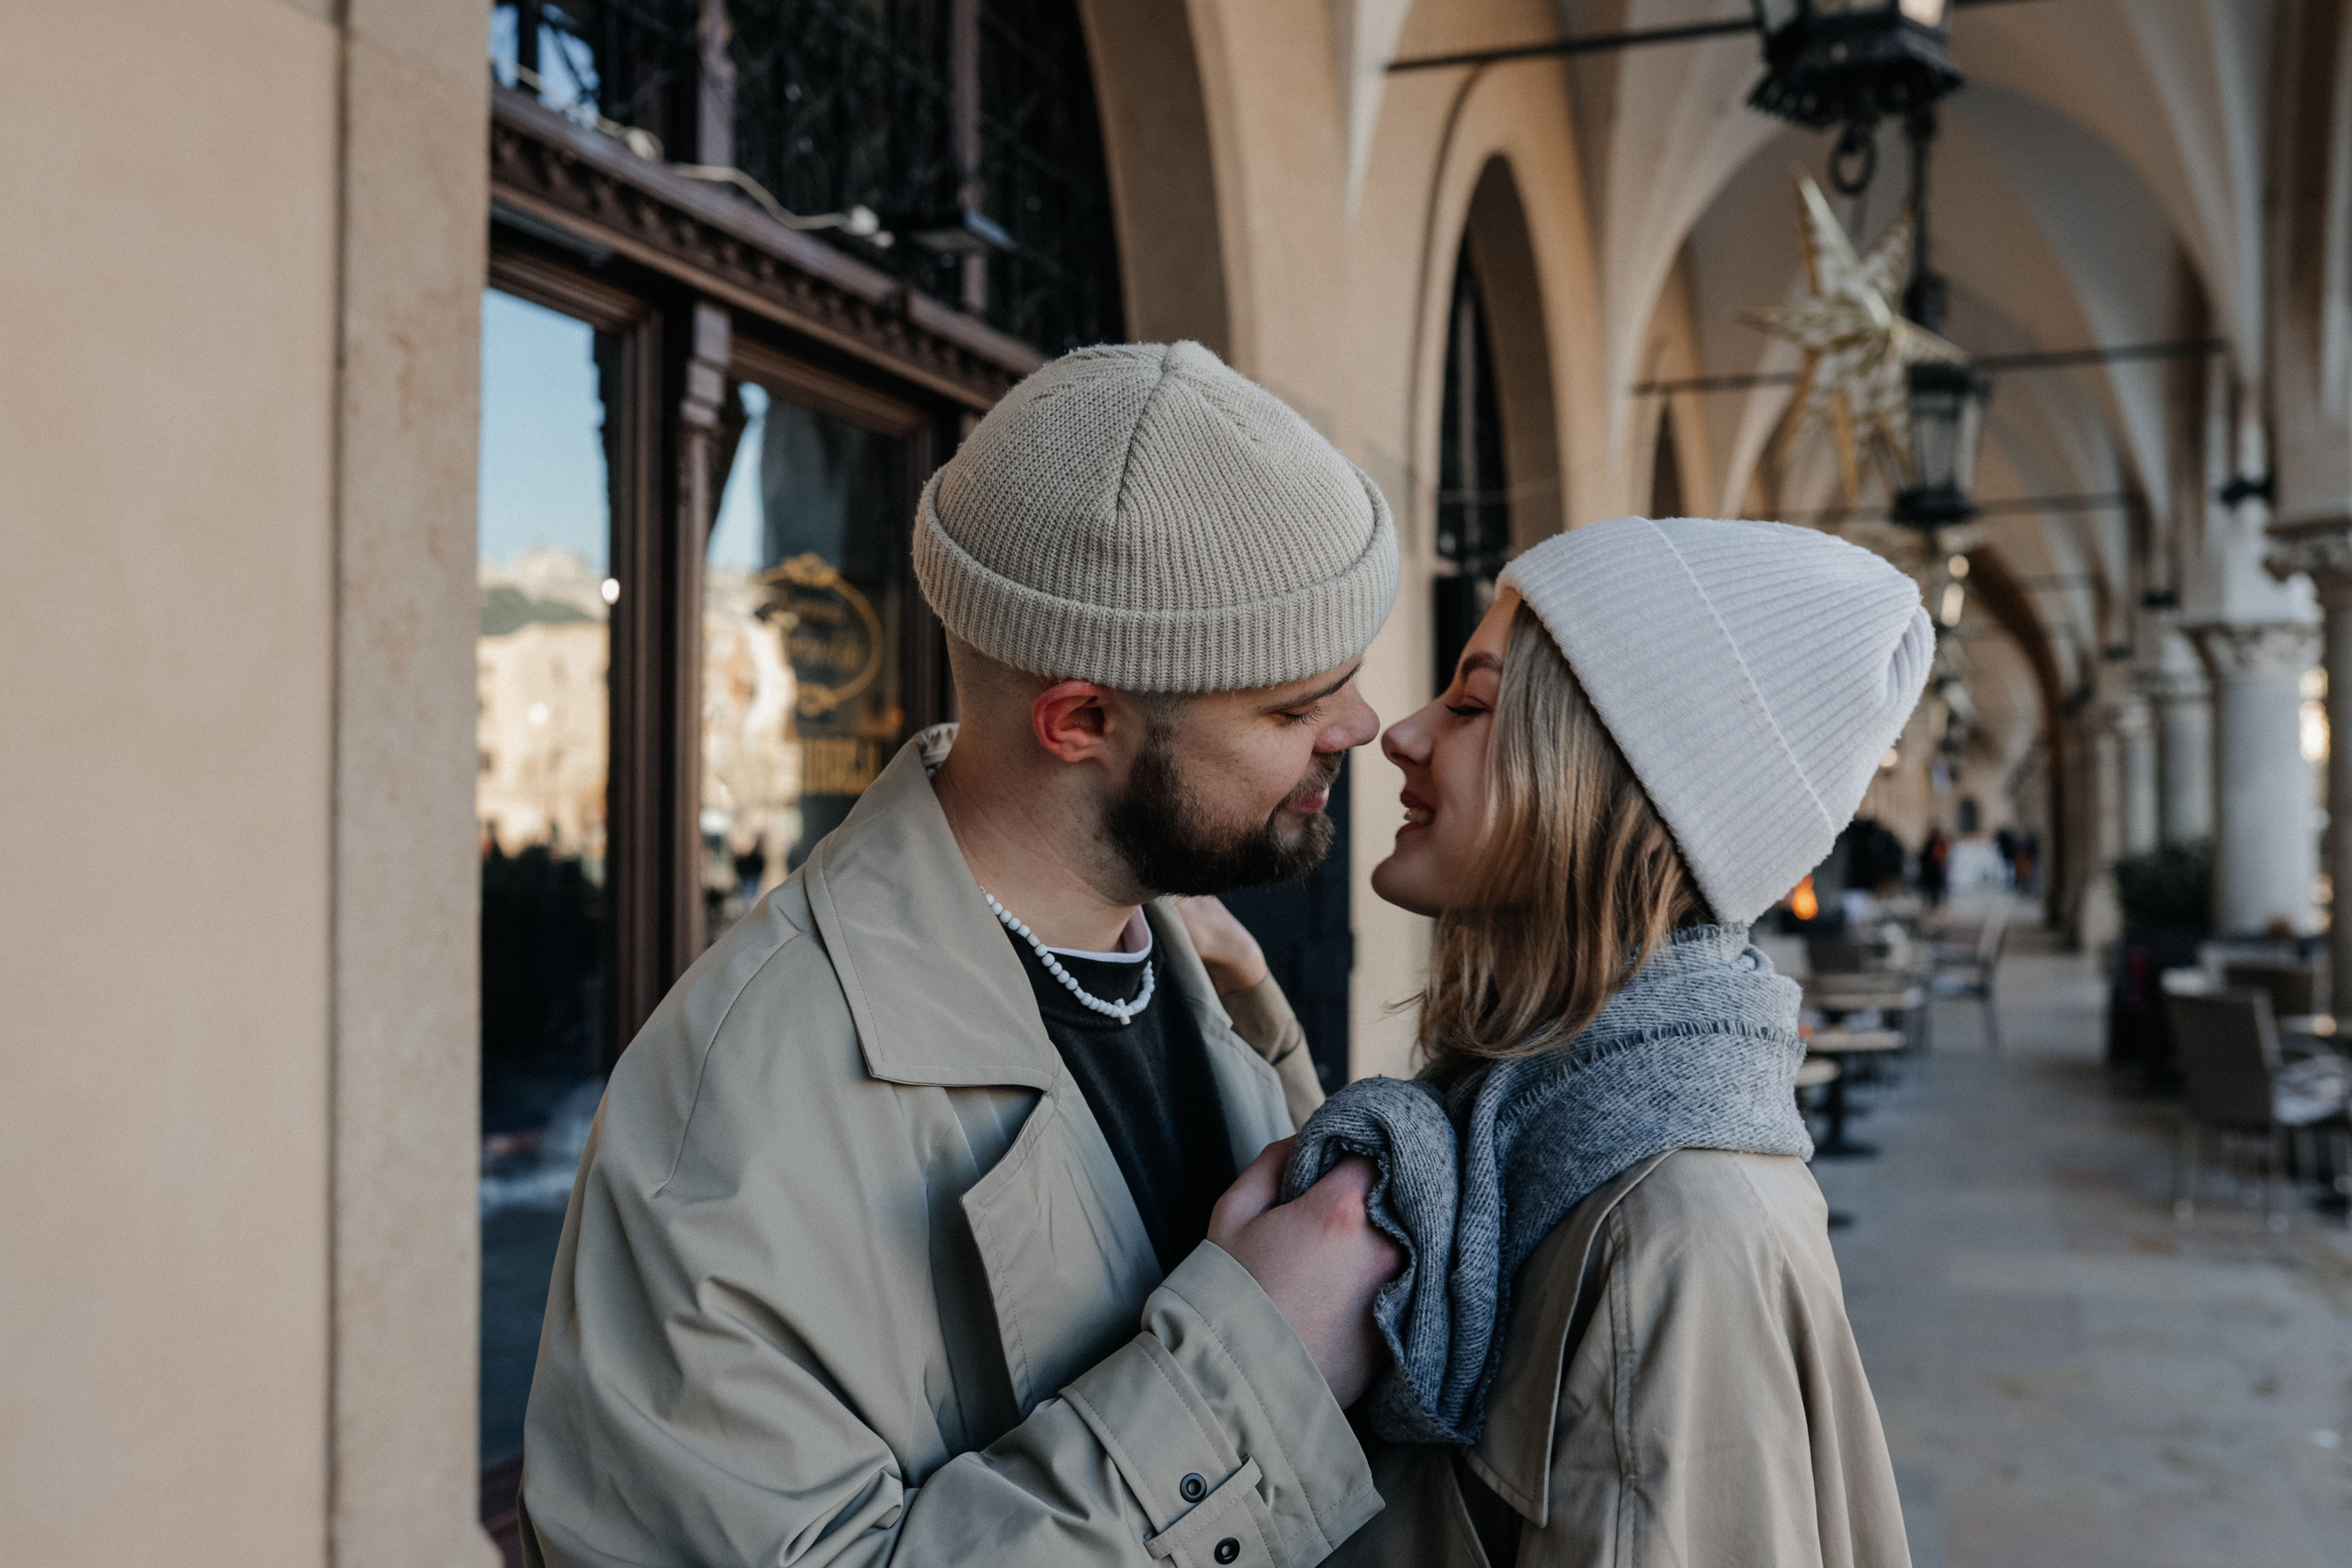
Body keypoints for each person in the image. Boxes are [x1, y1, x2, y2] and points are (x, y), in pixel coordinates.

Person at [521, 342, 1404, 1567]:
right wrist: (1251, 1374)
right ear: (1080, 720)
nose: (1361, 726)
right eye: (1296, 704)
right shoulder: (734, 1112)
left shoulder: (1199, 966)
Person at [1292, 515, 1927, 1567]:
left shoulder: (1672, 1234)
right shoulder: (1562, 1130)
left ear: (1609, 783)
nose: (1399, 734)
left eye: (1470, 705)